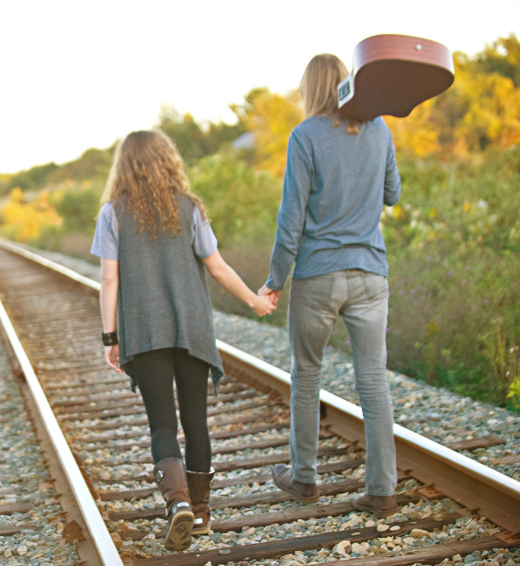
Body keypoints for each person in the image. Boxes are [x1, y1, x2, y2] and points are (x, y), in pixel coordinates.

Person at [91, 130, 275, 551]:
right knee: (196, 420)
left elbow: (109, 278)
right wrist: (253, 300)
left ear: (124, 167)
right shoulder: (190, 208)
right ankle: (203, 514)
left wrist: (109, 336)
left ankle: (178, 505)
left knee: (161, 423)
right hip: (192, 328)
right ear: (168, 161)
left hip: (145, 330)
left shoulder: (113, 213)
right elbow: (218, 266)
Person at [258, 53, 402, 517]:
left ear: (310, 90)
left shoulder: (304, 137)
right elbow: (393, 194)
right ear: (344, 85)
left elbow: (291, 217)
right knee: (373, 381)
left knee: (306, 375)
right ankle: (381, 489)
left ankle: (304, 479)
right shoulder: (380, 128)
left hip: (319, 274)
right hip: (370, 272)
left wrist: (275, 279)